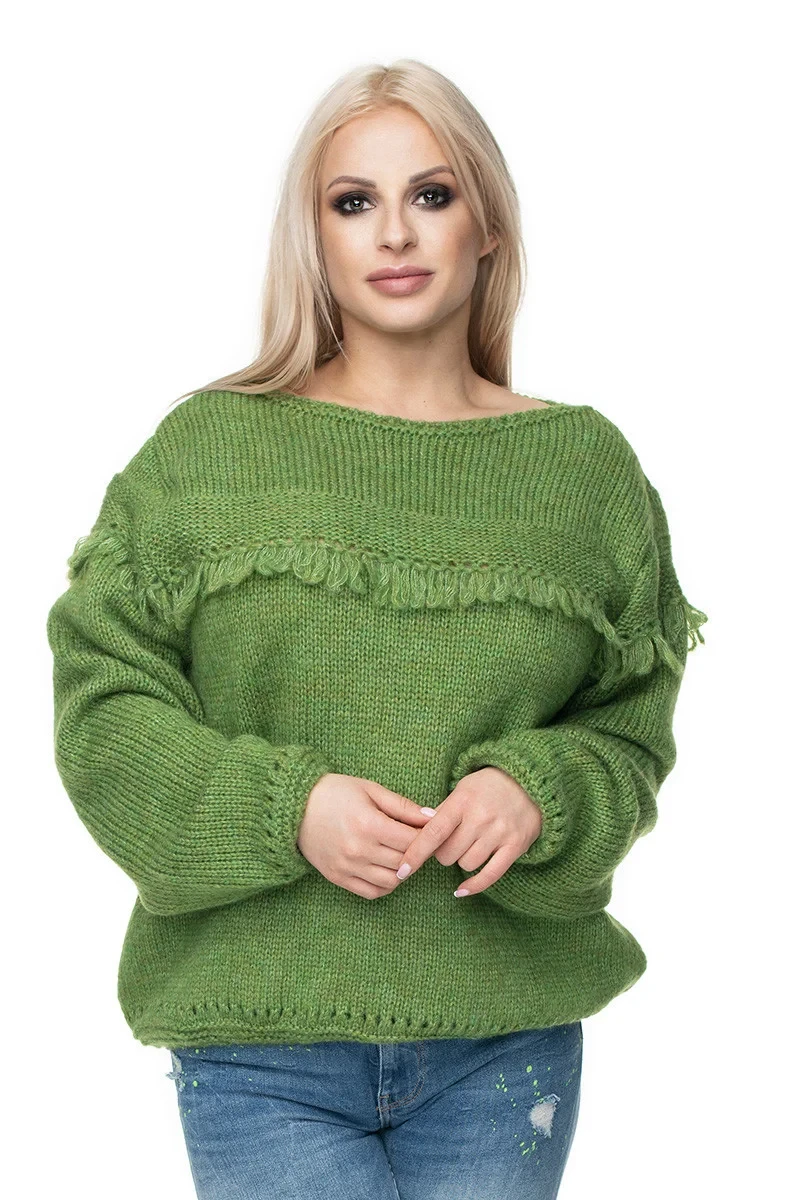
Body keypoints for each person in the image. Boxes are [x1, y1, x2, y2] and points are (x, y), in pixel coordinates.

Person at [46, 58, 708, 1200]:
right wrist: (285, 809)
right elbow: (103, 710)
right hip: (259, 1047)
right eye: (353, 201)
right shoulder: (205, 453)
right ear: (313, 236)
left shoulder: (584, 471)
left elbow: (629, 730)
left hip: (504, 1042)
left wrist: (535, 791)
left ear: (486, 225)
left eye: (431, 195)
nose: (394, 232)